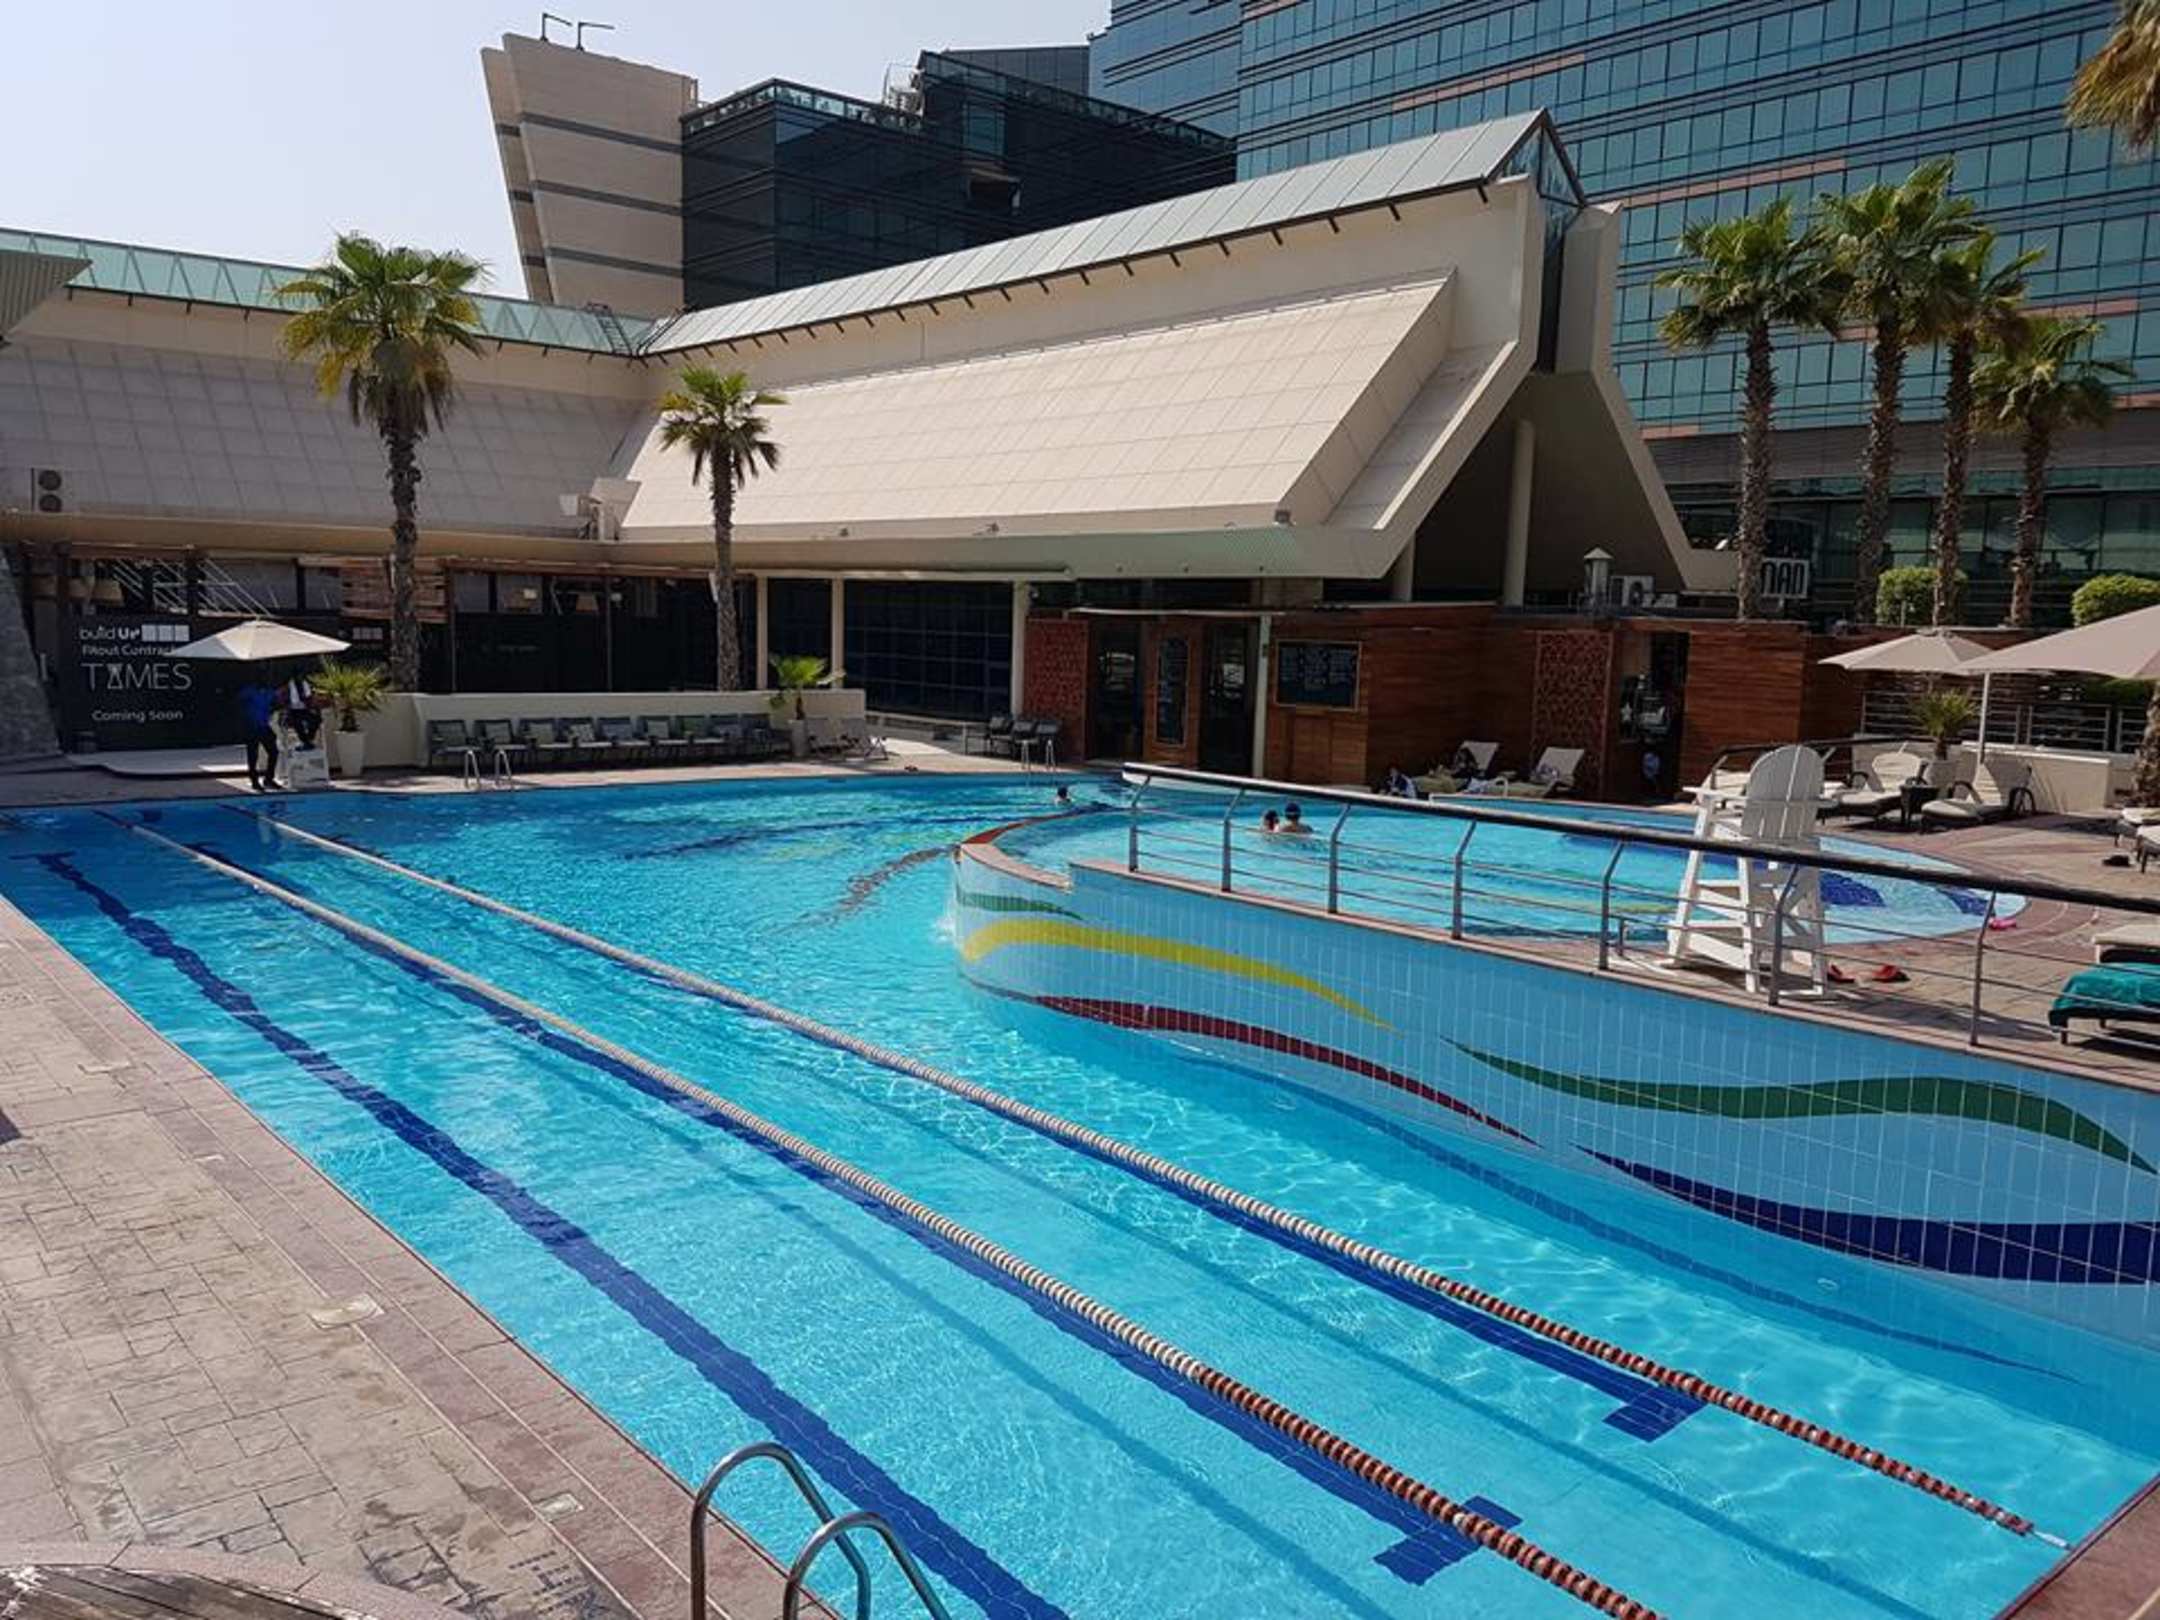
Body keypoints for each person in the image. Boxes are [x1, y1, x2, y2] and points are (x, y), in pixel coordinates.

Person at [239, 676, 279, 791]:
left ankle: (268, 779)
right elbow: (239, 702)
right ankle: (254, 781)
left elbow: (274, 703)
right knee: (253, 755)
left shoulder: (269, 692)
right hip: (252, 727)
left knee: (273, 752)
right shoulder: (249, 691)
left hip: (263, 726)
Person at [281, 668, 320, 747]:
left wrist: (310, 705)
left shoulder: (304, 683)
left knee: (316, 719)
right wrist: (286, 707)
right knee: (297, 724)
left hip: (304, 709)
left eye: (300, 676)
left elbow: (308, 697)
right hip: (293, 710)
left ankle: (309, 738)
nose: (299, 677)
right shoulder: (288, 685)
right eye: (298, 676)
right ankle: (305, 741)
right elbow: (285, 699)